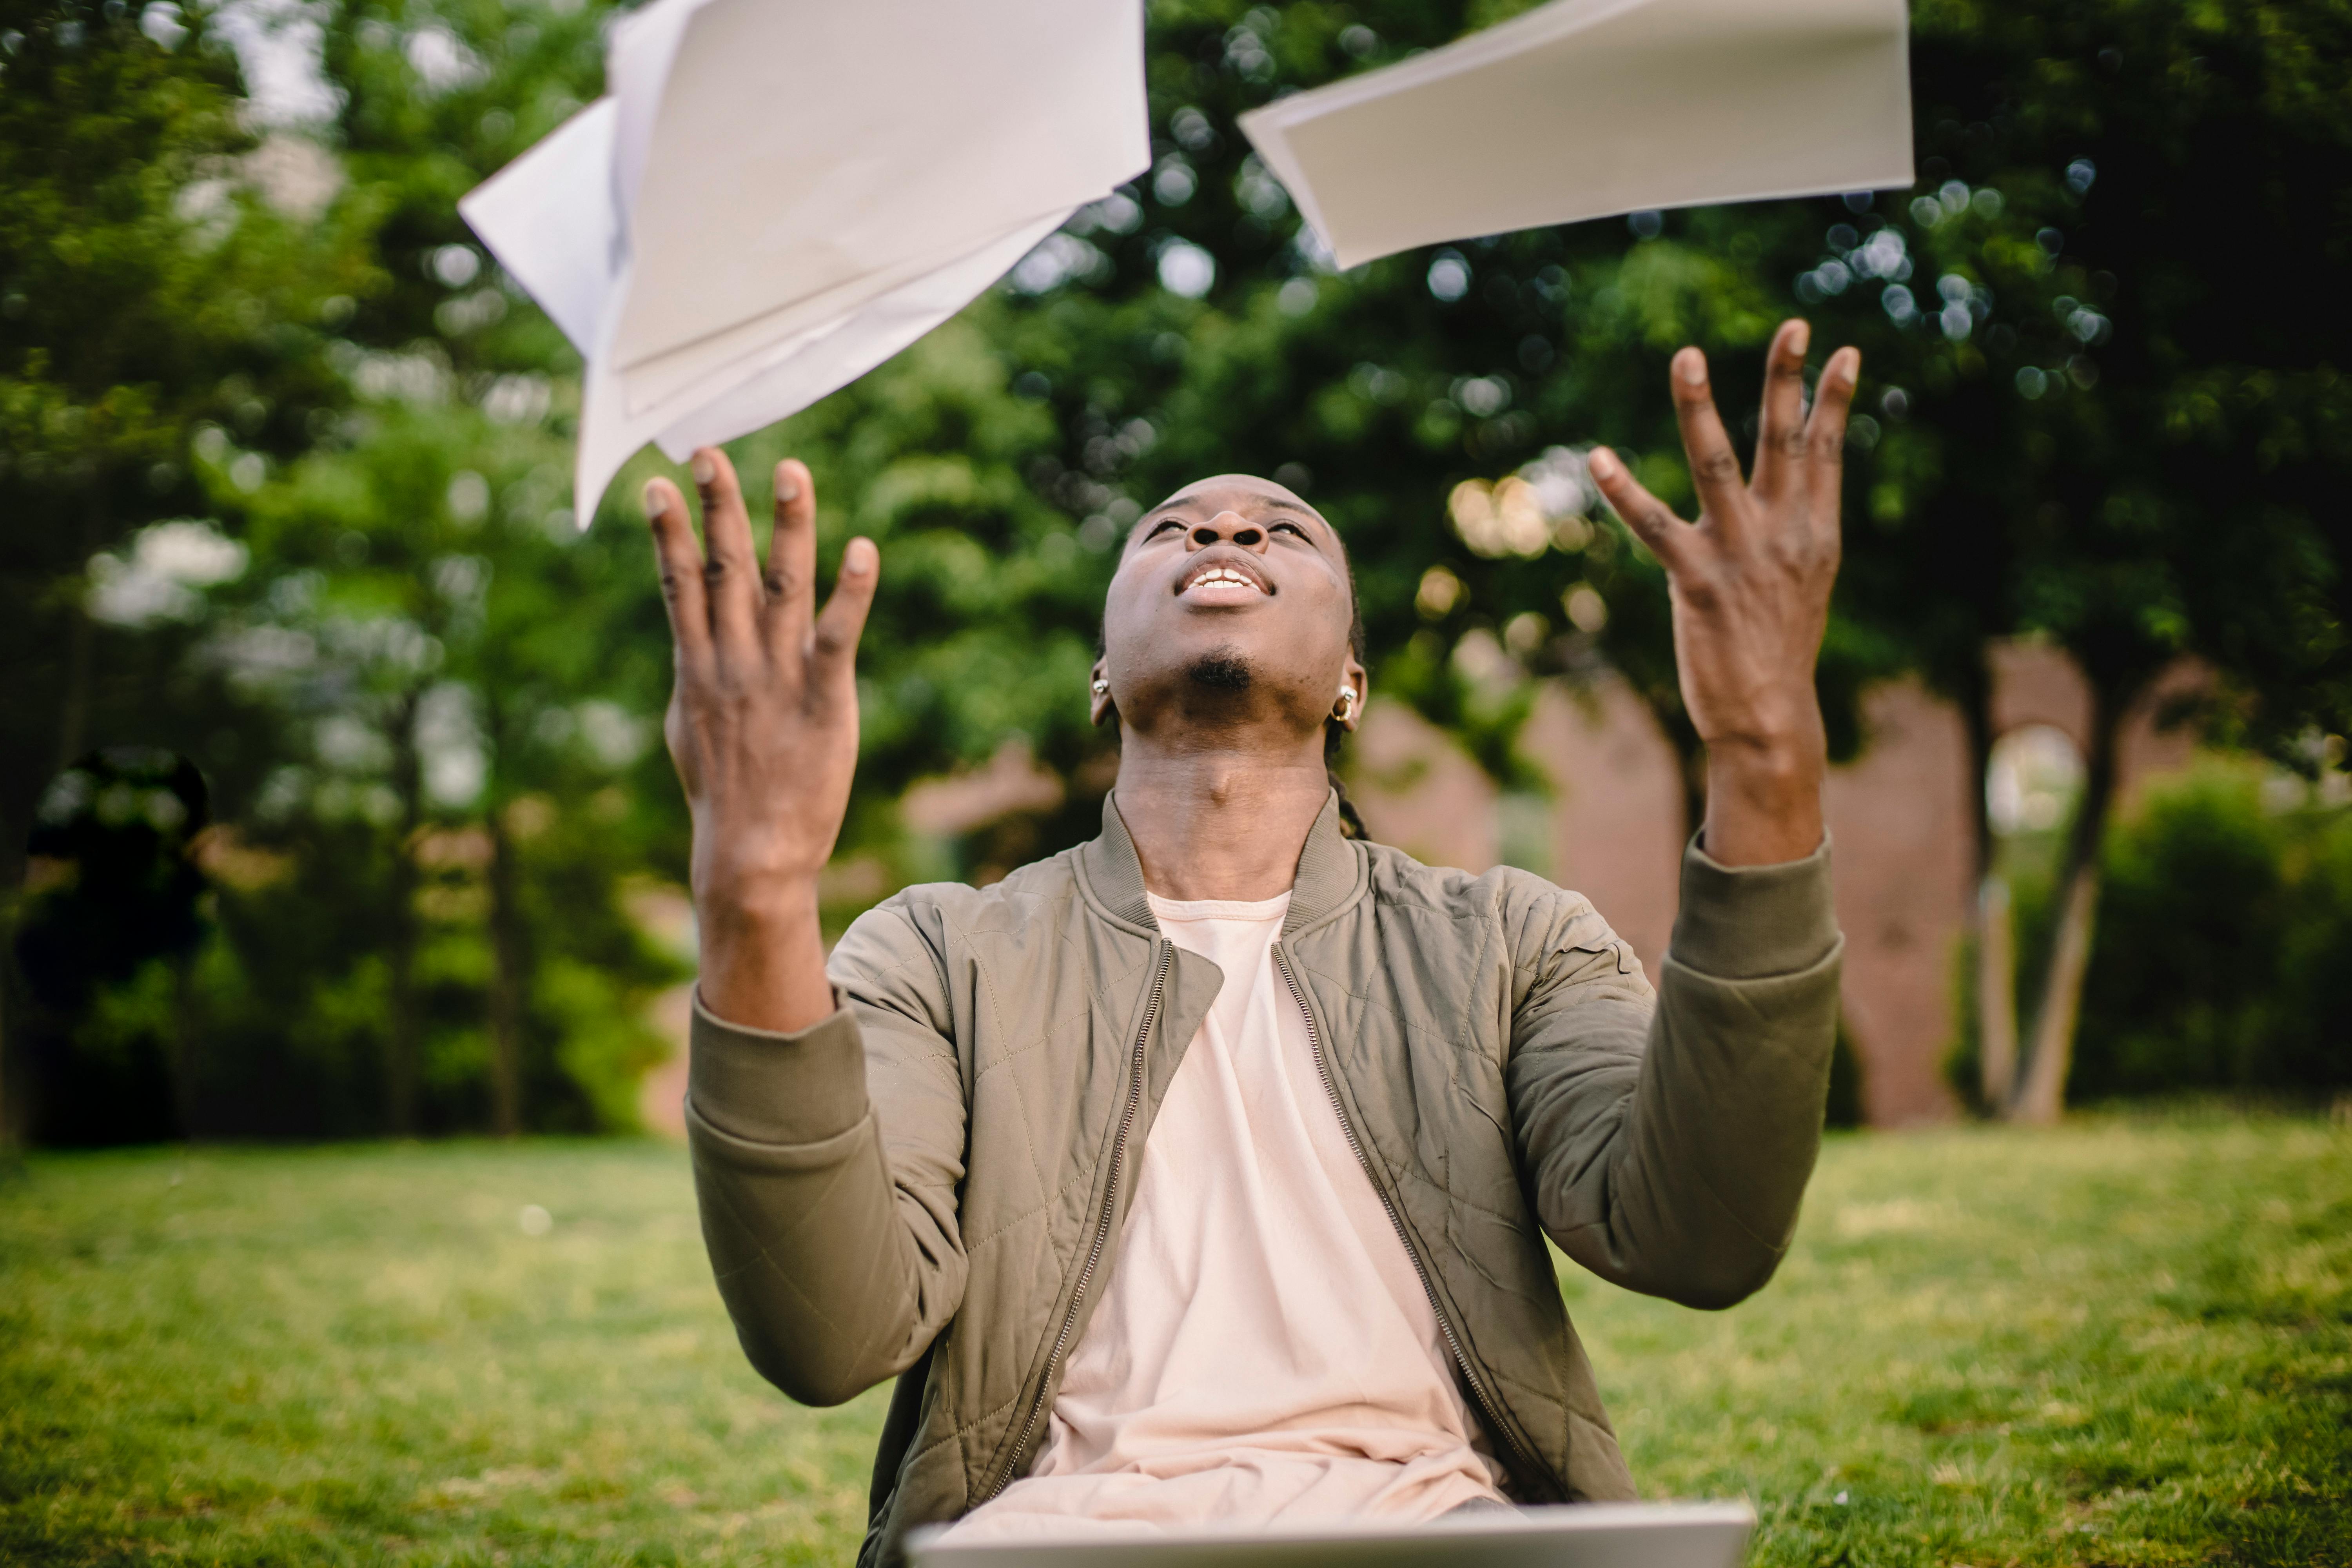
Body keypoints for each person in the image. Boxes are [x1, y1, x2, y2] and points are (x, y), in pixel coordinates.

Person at [646, 320, 1855, 1568]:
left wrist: (1766, 756)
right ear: (1102, 676)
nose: (1224, 532)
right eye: (1170, 528)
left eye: (1283, 529)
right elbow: (828, 1336)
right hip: (1048, 1542)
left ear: (1352, 682)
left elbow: (1701, 1238)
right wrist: (757, 892)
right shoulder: (938, 954)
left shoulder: (1510, 940)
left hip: (1438, 1534)